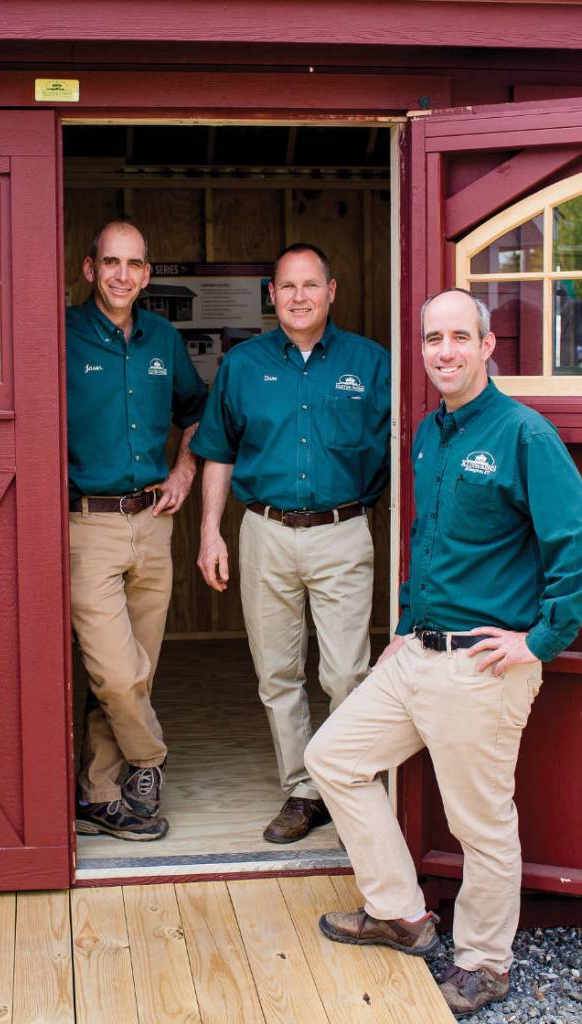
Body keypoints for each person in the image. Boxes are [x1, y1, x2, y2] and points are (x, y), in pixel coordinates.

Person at [304, 288, 582, 1017]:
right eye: (432, 339)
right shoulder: (428, 433)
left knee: (481, 824)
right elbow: (428, 539)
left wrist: (540, 640)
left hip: (482, 665)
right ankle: (401, 914)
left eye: (459, 337)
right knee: (333, 759)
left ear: (487, 345)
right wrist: (405, 625)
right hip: (418, 653)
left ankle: (485, 962)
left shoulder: (523, 434)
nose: (444, 351)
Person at [191, 242, 390, 844]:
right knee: (277, 673)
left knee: (346, 674)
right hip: (265, 533)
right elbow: (218, 452)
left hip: (342, 532)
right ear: (271, 295)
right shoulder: (243, 365)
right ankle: (303, 791)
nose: (299, 297)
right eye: (287, 286)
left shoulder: (371, 363)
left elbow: (401, 449)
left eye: (310, 285)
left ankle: (348, 786)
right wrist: (210, 533)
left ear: (332, 291)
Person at [66, 220, 207, 841]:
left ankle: (99, 795)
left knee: (134, 672)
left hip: (153, 522)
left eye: (134, 264)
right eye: (111, 262)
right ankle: (150, 760)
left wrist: (183, 470)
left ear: (147, 274)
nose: (123, 275)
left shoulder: (164, 341)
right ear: (90, 268)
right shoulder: (59, 335)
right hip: (86, 523)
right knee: (116, 671)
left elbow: (196, 412)